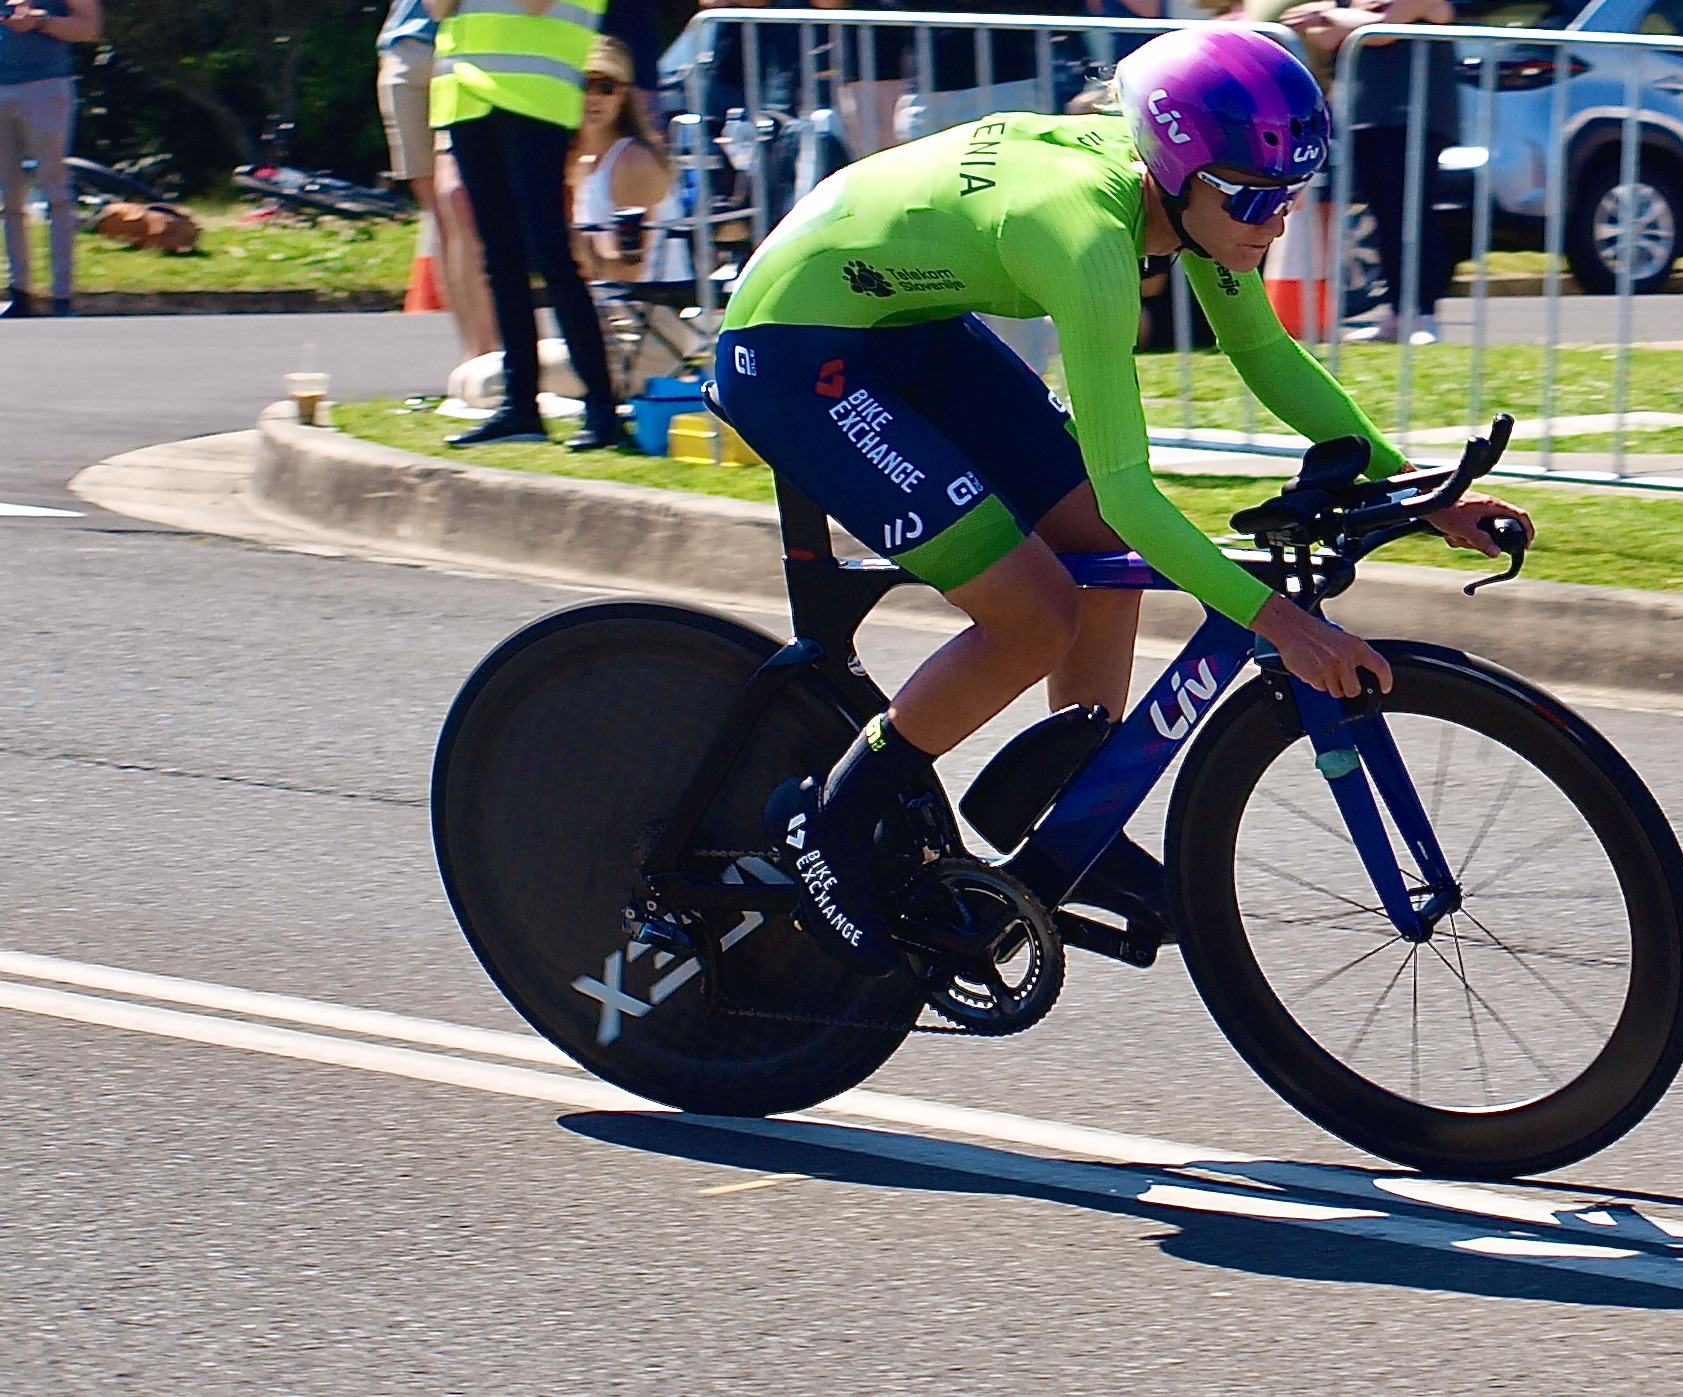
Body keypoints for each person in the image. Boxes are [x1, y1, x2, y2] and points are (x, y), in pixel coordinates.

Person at [713, 26, 1533, 972]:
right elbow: (1133, 488)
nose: (1273, 223)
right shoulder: (1088, 241)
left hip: (903, 322)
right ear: (1181, 173)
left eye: (1292, 196)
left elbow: (1262, 352)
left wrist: (1416, 492)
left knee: (1105, 553)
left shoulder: (1196, 197)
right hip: (792, 352)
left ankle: (1076, 819)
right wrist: (1285, 628)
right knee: (1032, 615)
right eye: (1256, 199)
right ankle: (827, 821)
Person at [428, 0, 621, 451]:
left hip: (534, 97)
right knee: (501, 261)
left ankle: (603, 411)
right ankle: (520, 408)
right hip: (466, 95)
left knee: (552, 257)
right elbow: (438, 9)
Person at [1263, 0, 1457, 345]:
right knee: (1382, 218)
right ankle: (1398, 315)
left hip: (1413, 112)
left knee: (1412, 216)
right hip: (1364, 115)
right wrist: (1339, 19)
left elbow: (1383, 30)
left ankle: (1424, 314)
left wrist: (1328, 16)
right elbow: (1326, 39)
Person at [376, 0, 498, 363]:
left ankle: (498, 357)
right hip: (408, 50)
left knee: (464, 207)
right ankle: (476, 357)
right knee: (442, 216)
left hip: (474, 55)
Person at [0, 0, 99, 319]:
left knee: (56, 192)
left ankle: (62, 296)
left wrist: (40, 21)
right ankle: (20, 292)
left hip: (44, 87)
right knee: (8, 198)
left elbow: (89, 27)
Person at [571, 37, 688, 283]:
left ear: (623, 96)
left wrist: (570, 244)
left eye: (605, 86)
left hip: (655, 313)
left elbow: (628, 274)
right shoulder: (584, 164)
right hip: (612, 311)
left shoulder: (632, 163)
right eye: (583, 84)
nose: (592, 97)